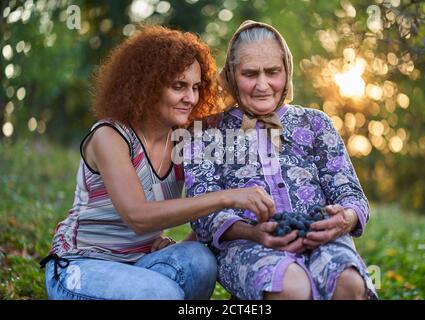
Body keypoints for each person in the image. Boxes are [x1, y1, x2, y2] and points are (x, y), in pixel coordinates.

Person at [40, 25, 276, 300]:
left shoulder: (184, 142)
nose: (190, 98)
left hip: (142, 264)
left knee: (199, 261)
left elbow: (204, 219)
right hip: (79, 267)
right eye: (179, 86)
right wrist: (226, 197)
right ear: (148, 85)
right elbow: (137, 216)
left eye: (196, 87)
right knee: (163, 294)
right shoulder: (110, 136)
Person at [183, 20, 378, 300]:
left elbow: (350, 194)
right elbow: (203, 213)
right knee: (289, 288)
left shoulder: (315, 123)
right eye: (250, 74)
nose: (262, 85)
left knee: (347, 284)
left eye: (272, 72)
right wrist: (253, 233)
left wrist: (343, 220)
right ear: (232, 76)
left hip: (321, 237)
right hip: (245, 245)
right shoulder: (206, 132)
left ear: (287, 71)